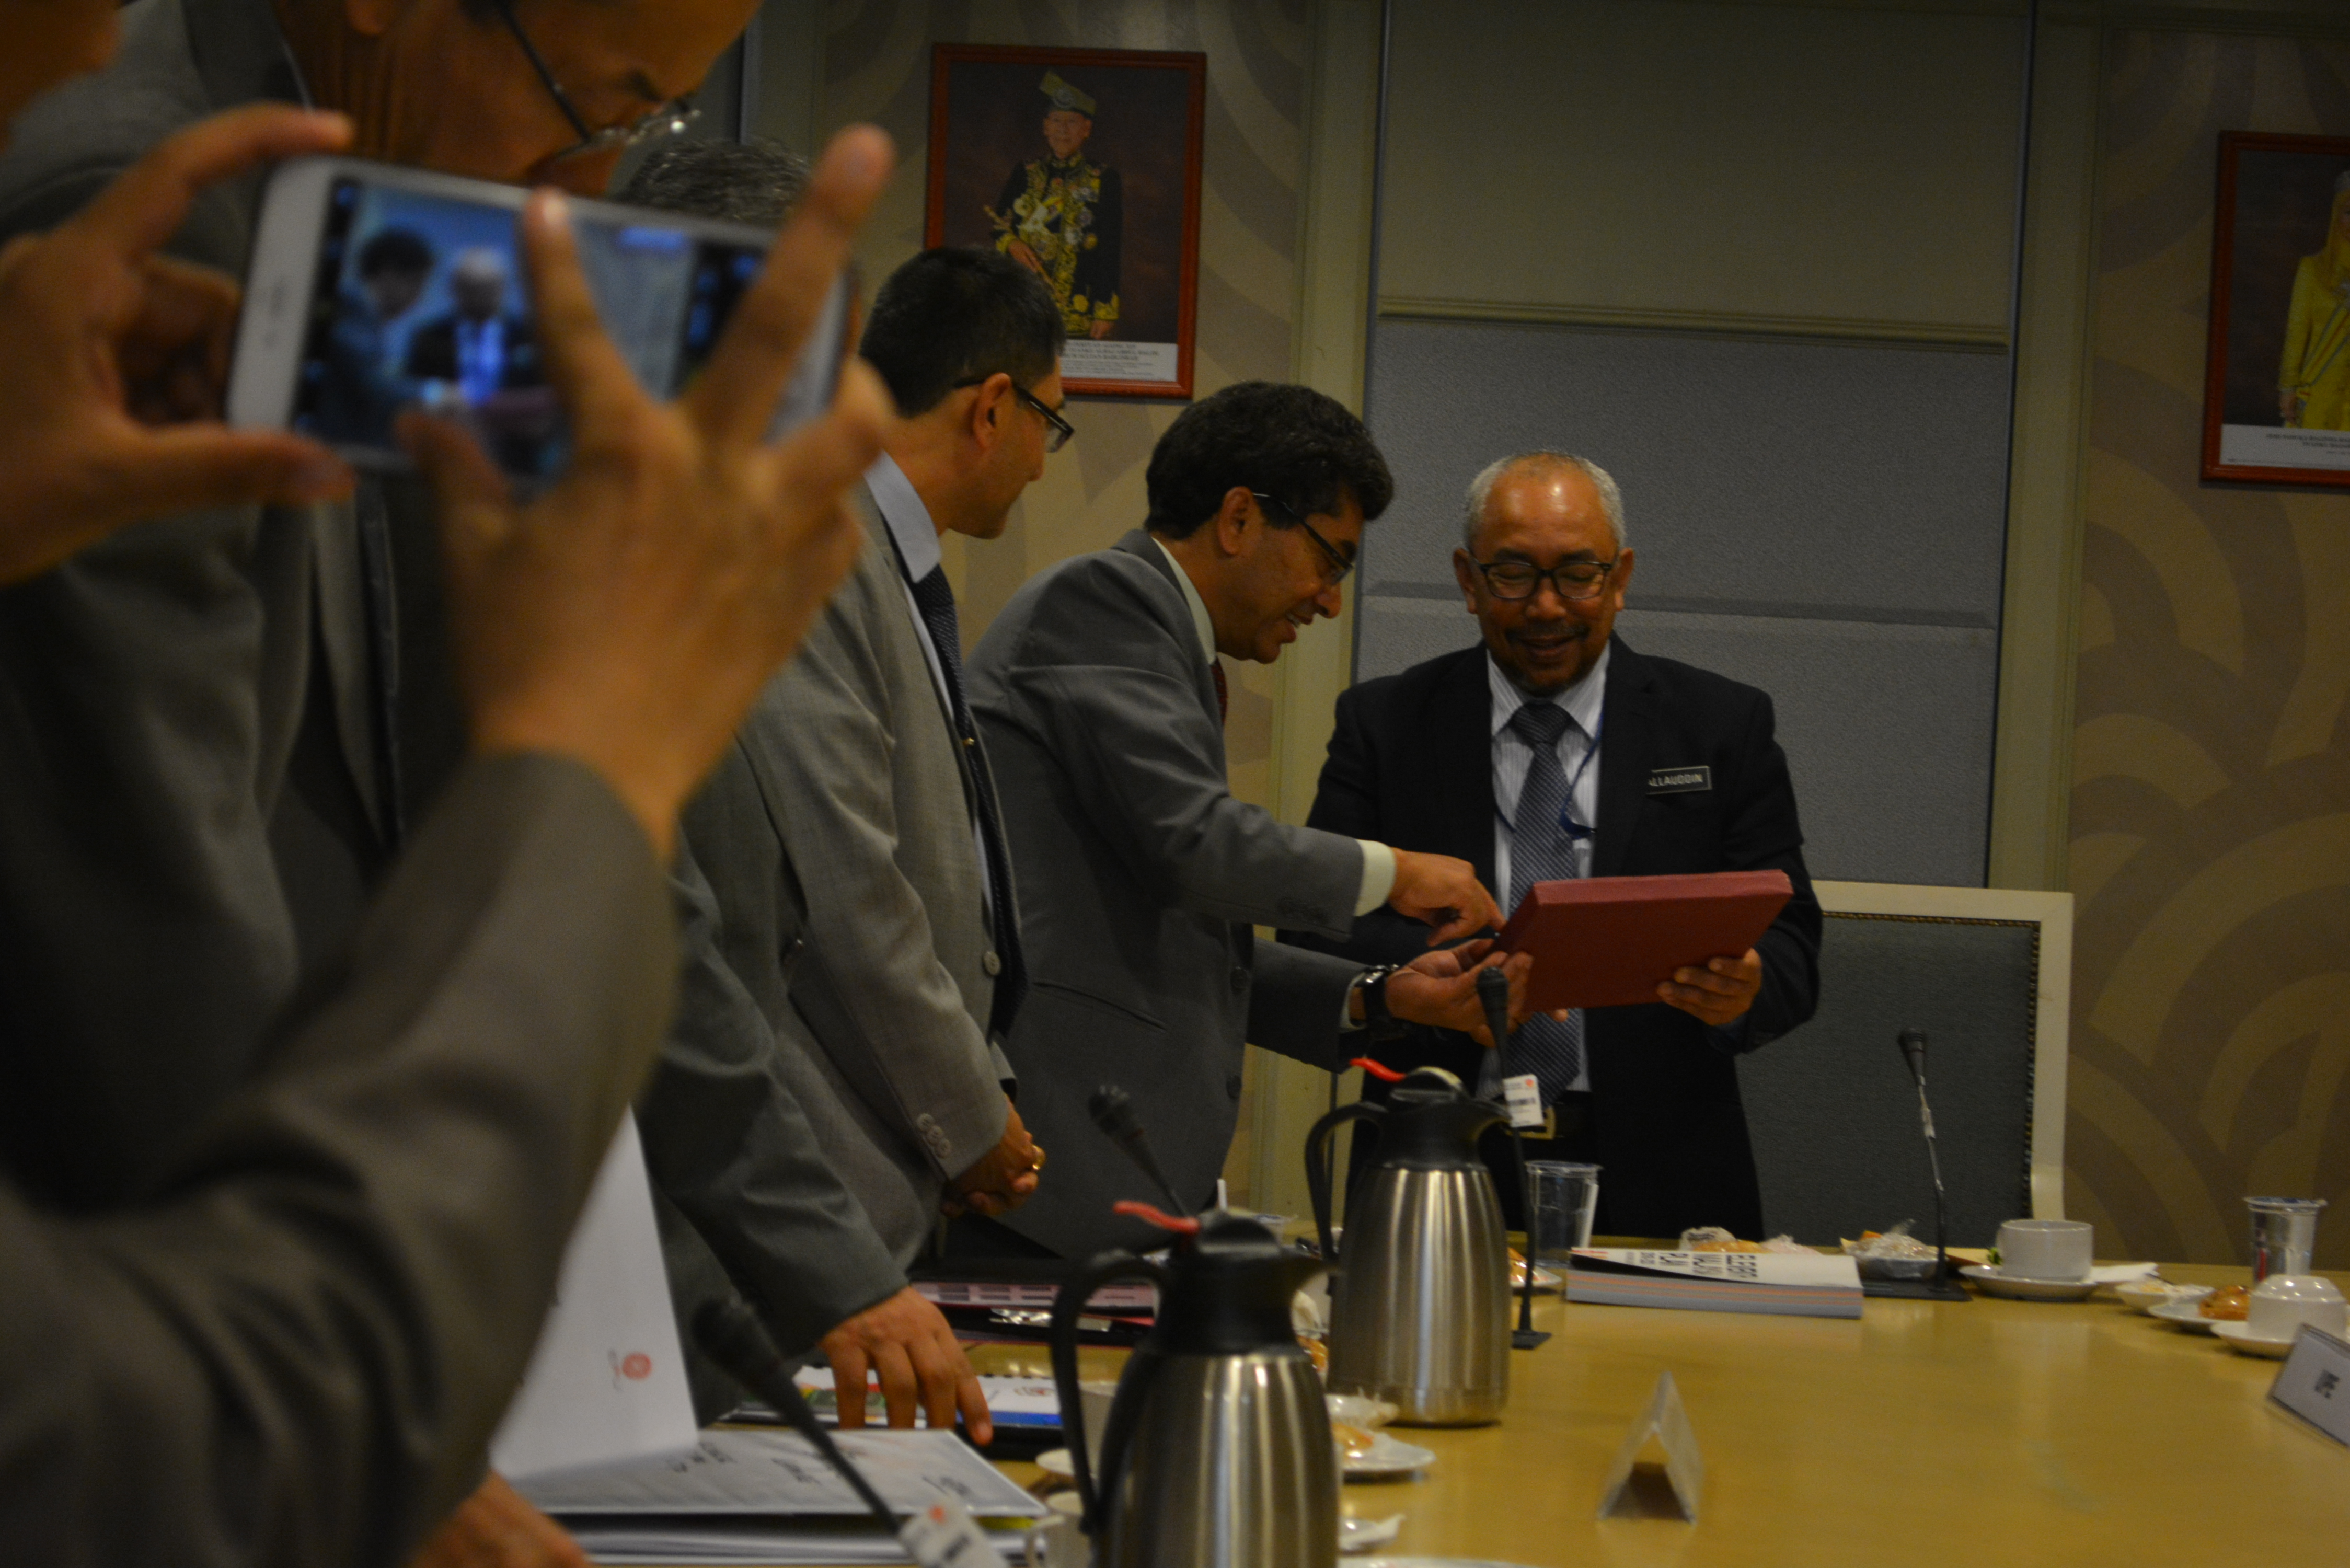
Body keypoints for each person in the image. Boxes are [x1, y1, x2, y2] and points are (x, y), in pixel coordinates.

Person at [0, 9, 898, 1550]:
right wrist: (603, 763)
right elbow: (144, 930)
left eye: (645, 134)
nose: (586, 186)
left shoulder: (341, 227)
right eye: (597, 104)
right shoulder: (145, 193)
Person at [618, 148, 1008, 1440]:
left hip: (705, 1275)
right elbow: (683, 946)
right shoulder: (563, 573)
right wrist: (831, 1261)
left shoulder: (697, 558)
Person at [964, 381, 1531, 1260]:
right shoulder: (1104, 603)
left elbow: (1181, 941)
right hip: (1040, 1183)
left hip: (1097, 1189)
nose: (1331, 601)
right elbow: (1197, 846)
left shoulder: (1166, 644)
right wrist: (1397, 871)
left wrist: (1381, 994)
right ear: (1238, 518)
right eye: (1331, 560)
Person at [664, 244, 1064, 1383]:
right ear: (993, 408)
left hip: (873, 1161)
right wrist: (967, 1116)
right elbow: (847, 884)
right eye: (1052, 423)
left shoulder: (882, 552)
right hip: (804, 1174)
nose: (1044, 463)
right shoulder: (823, 539)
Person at [1288, 450, 1822, 1240]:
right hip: (1438, 1152)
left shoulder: (1719, 725)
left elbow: (1793, 945)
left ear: (1620, 577)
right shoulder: (1386, 724)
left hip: (1666, 1165)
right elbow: (1315, 930)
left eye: (1577, 575)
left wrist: (1748, 984)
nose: (1546, 607)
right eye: (1512, 575)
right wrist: (1432, 979)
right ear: (1468, 581)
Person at [990, 69, 1120, 341]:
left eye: (1072, 122)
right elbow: (998, 224)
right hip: (1024, 305)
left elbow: (1110, 247)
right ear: (1045, 127)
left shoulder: (1104, 178)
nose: (1063, 130)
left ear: (1086, 129)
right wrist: (1012, 244)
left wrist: (1104, 310)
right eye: (1057, 121)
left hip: (1078, 308)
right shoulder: (1025, 173)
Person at [402, 245, 556, 473]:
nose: (480, 296)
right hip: (446, 445)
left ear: (503, 287)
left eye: (488, 288)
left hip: (518, 452)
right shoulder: (430, 337)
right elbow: (413, 390)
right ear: (455, 289)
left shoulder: (531, 336)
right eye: (471, 288)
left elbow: (550, 395)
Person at [309, 225, 435, 447]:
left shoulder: (362, 319)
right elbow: (372, 384)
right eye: (417, 283)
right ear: (389, 274)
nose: (419, 297)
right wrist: (434, 393)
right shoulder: (351, 314)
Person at [2279, 169, 2350, 430]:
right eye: (2349, 212)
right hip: (2318, 394)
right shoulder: (2312, 269)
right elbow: (2297, 333)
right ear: (2337, 215)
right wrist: (2288, 387)